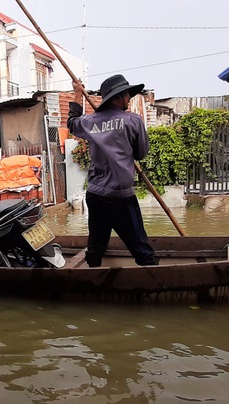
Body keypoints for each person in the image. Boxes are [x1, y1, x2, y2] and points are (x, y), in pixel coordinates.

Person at [67, 74, 157, 267]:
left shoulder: (89, 122)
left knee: (96, 247)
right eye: (127, 95)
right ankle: (153, 281)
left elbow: (72, 122)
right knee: (143, 251)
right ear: (118, 97)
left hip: (95, 194)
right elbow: (140, 153)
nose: (129, 99)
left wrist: (77, 93)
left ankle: (93, 280)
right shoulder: (133, 121)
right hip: (120, 197)